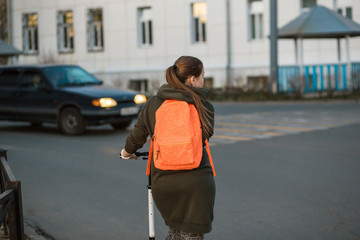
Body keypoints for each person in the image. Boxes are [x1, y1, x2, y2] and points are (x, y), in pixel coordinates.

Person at [120, 56, 215, 240]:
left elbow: (137, 136)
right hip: (196, 183)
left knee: (174, 232)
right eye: (202, 75)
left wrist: (126, 153)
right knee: (192, 235)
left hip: (163, 182)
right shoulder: (204, 106)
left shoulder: (153, 104)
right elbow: (205, 136)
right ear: (193, 79)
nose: (203, 80)